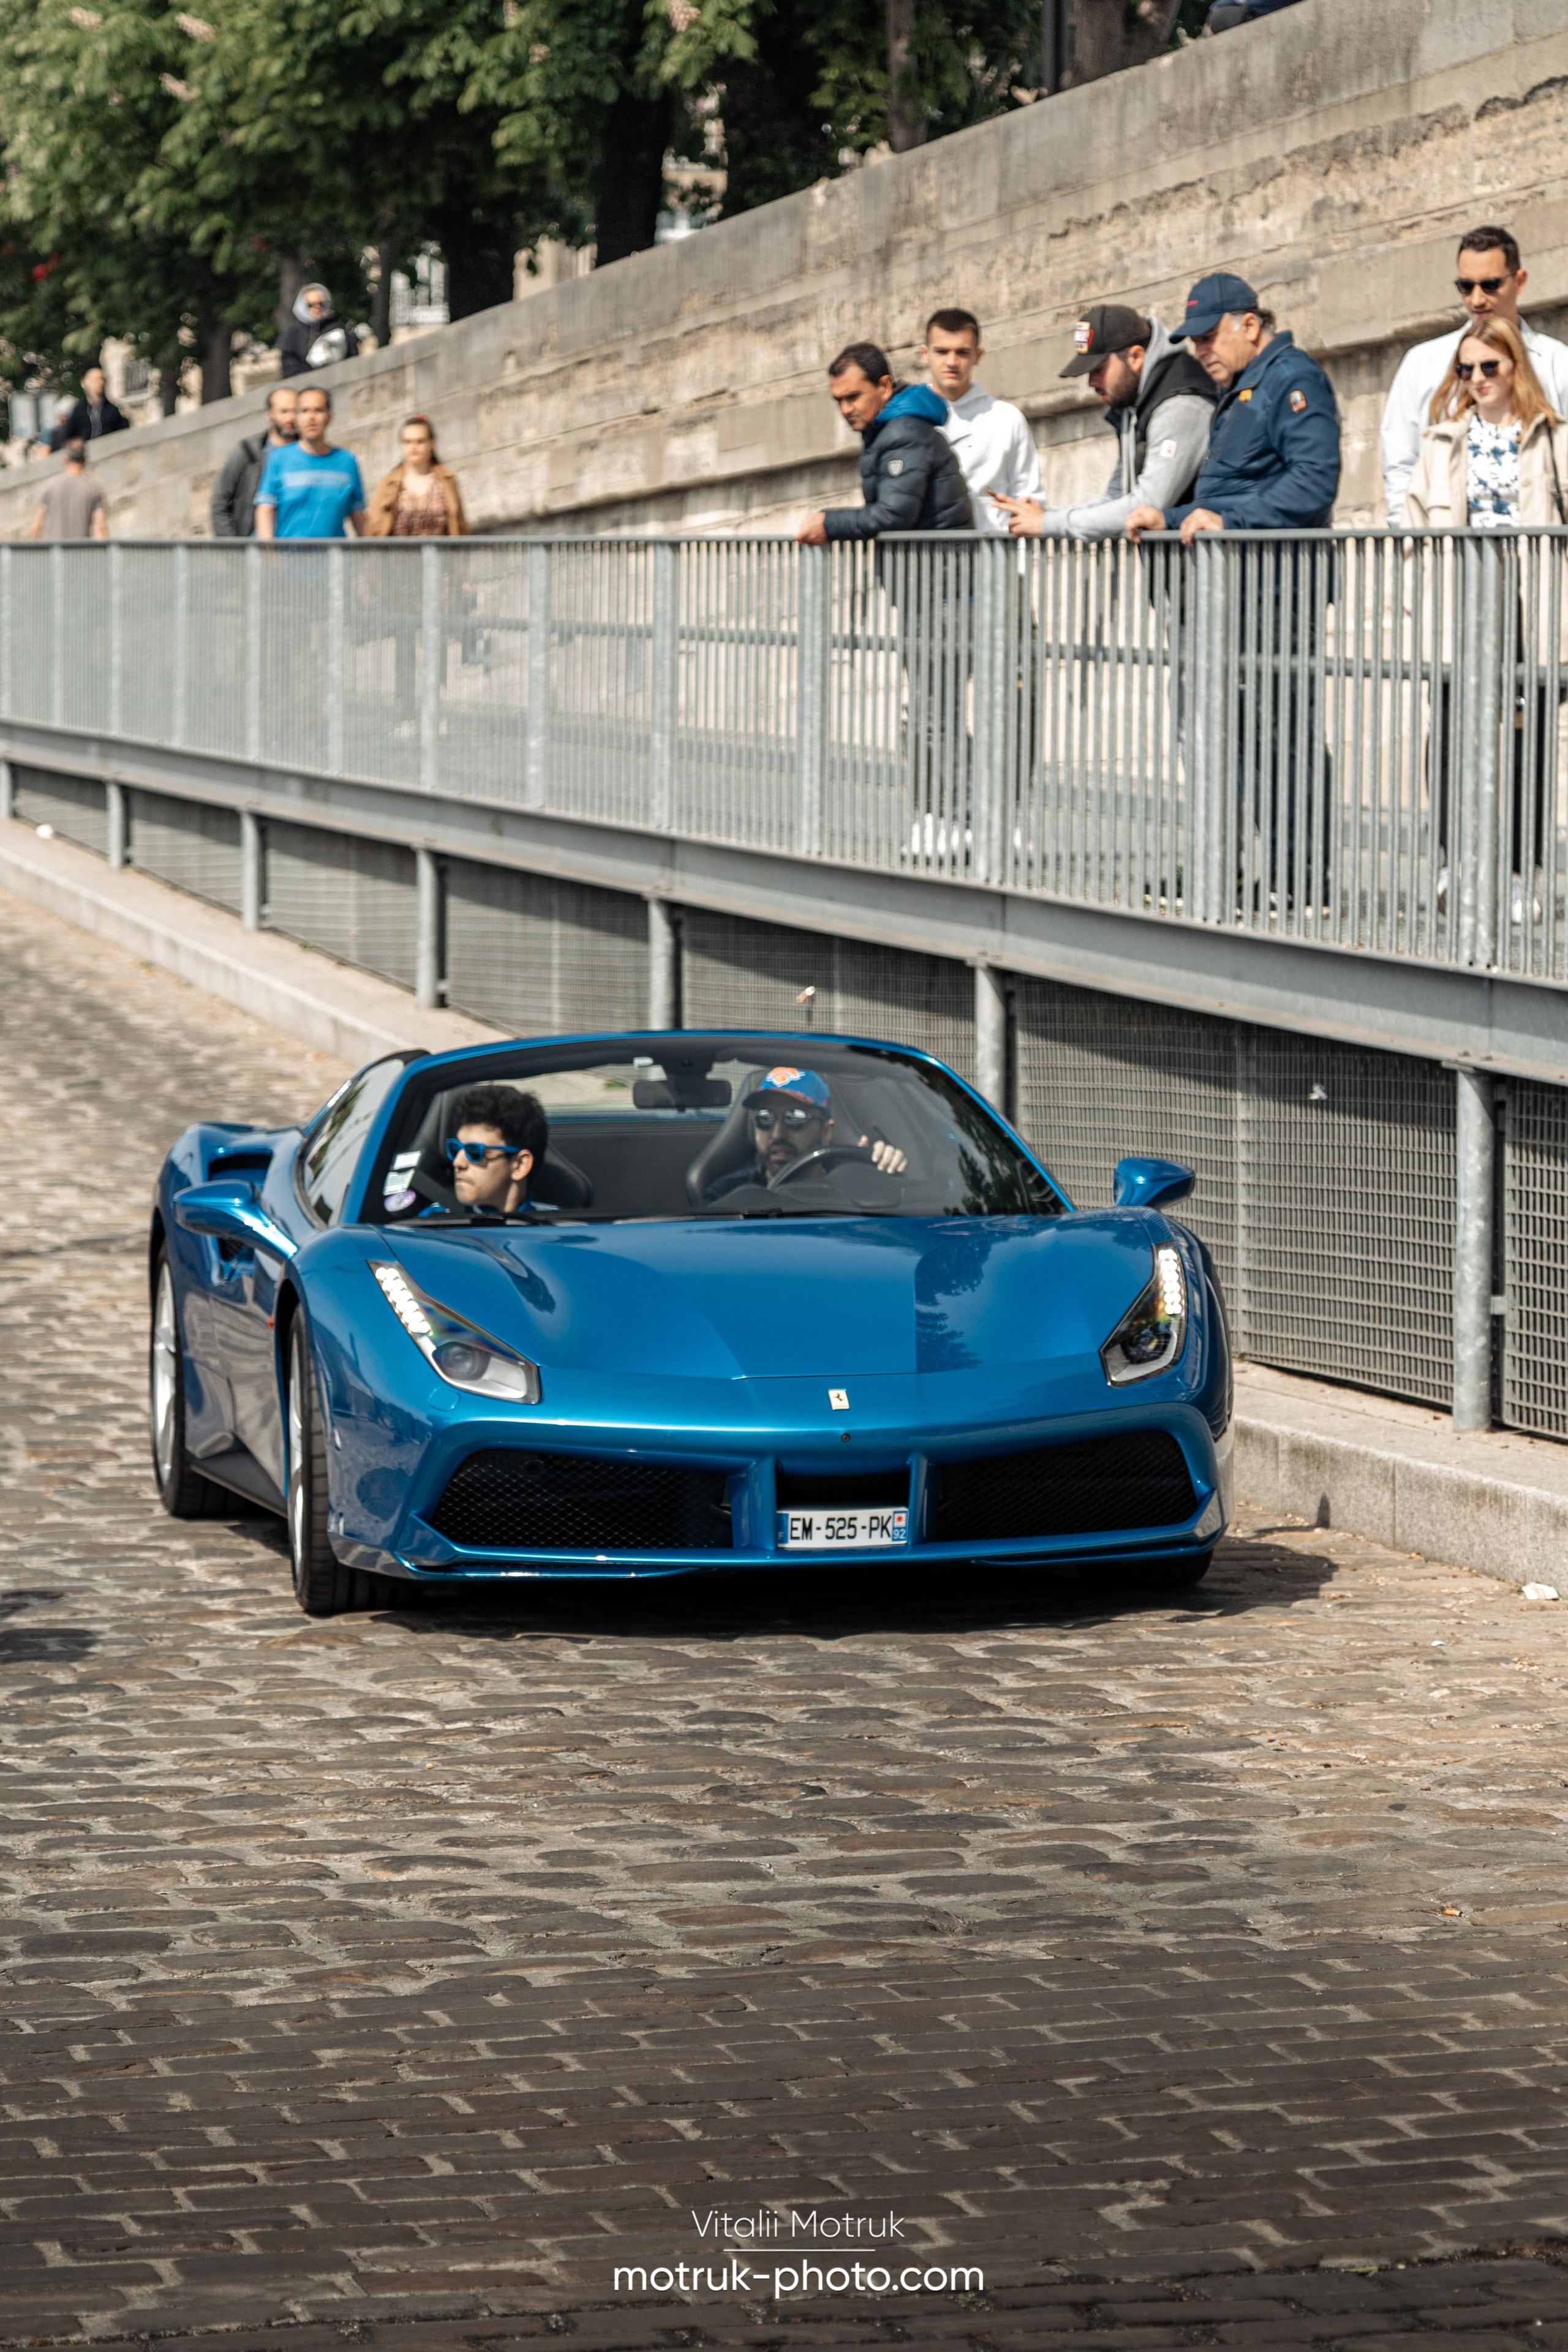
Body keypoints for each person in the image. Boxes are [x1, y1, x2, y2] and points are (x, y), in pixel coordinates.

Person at [1403, 315, 1568, 925]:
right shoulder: (1441, 440)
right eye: (1465, 369)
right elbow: (1416, 528)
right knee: (1447, 734)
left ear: (1514, 367)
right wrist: (1420, 603)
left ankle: (1523, 873)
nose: (1476, 379)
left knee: (1526, 744)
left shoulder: (1550, 437)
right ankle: (1453, 862)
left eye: (1488, 367)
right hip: (1459, 600)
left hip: (1528, 603)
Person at [1125, 272, 1341, 544]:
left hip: (1283, 577)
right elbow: (1223, 496)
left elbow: (1314, 481)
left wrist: (1231, 523)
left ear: (1250, 327)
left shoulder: (1292, 379)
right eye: (1195, 343)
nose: (1200, 352)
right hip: (1245, 573)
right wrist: (1168, 520)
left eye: (1209, 337)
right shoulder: (1239, 390)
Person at [1382, 227, 1568, 528]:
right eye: (1466, 287)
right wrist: (1409, 543)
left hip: (1540, 556)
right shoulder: (1422, 363)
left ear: (1519, 281)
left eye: (1491, 285)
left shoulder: (1557, 362)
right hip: (1448, 553)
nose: (1477, 299)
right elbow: (1400, 464)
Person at [993, 303, 1215, 541]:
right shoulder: (1137, 404)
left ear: (1136, 357)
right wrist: (1045, 516)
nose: (1091, 383)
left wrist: (1048, 523)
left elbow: (1148, 503)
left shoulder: (1181, 405)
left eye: (1099, 370)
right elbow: (1117, 496)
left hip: (1206, 570)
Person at [796, 344, 972, 545]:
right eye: (839, 401)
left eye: (853, 397)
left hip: (938, 567)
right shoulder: (886, 430)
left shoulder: (903, 432)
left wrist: (828, 524)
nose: (845, 409)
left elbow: (893, 516)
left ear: (886, 387)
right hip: (925, 565)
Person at [921, 307, 1042, 535]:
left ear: (978, 356)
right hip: (925, 559)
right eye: (942, 351)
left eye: (962, 352)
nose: (952, 362)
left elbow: (1028, 499)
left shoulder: (1007, 418)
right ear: (925, 354)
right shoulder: (907, 420)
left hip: (992, 559)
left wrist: (1022, 570)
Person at [703, 1068, 907, 1201]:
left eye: (795, 1118)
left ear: (827, 1132)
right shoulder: (727, 1194)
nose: (777, 1134)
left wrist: (880, 1171)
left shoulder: (851, 1189)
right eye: (764, 1118)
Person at [252, 387, 366, 540]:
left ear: (329, 417)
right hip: (289, 557)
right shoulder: (279, 458)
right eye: (305, 411)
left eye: (318, 410)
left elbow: (358, 515)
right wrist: (269, 554)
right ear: (297, 418)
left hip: (335, 559)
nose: (311, 417)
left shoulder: (347, 461)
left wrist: (371, 555)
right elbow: (265, 510)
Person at [439, 1085, 550, 1216]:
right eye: (456, 1149)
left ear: (520, 1165)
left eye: (474, 1152)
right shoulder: (429, 1223)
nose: (458, 1163)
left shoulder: (557, 1228)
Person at [210, 385, 299, 539]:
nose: (290, 418)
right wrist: (234, 550)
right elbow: (220, 503)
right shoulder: (248, 451)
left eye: (295, 411)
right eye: (284, 411)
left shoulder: (309, 453)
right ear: (270, 414)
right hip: (253, 546)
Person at [365, 416, 469, 538]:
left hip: (441, 554)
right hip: (398, 554)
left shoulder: (447, 481)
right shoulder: (388, 483)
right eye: (408, 442)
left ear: (432, 444)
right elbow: (373, 529)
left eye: (420, 441)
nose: (413, 447)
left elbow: (460, 527)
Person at [278, 282, 360, 379]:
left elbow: (352, 357)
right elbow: (289, 364)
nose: (317, 308)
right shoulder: (293, 332)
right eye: (310, 305)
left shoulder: (337, 328)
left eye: (320, 304)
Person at [29, 441, 107, 541]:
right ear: (85, 462)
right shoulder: (93, 488)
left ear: (65, 459)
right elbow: (100, 527)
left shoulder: (50, 486)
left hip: (55, 551)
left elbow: (37, 524)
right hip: (82, 551)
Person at [49, 365, 129, 450]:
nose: (99, 383)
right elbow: (70, 437)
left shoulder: (112, 410)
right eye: (95, 380)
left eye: (102, 379)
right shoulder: (79, 410)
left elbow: (123, 433)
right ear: (84, 382)